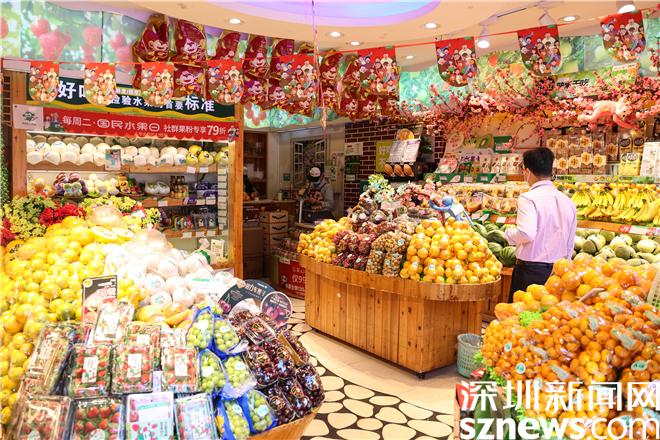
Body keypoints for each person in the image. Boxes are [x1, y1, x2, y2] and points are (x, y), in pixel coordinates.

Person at [505, 147, 576, 297]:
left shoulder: (528, 198)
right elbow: (570, 243)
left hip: (530, 272)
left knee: (524, 310)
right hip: (558, 271)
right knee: (550, 310)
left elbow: (526, 233)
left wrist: (509, 234)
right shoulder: (567, 201)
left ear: (527, 171)